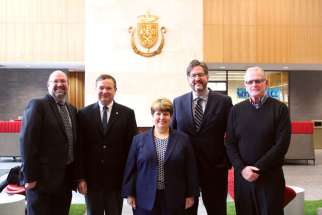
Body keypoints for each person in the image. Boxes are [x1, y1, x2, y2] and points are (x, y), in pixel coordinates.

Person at [225, 66, 291, 215]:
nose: (254, 85)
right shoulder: (236, 110)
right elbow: (229, 143)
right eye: (250, 82)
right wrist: (242, 169)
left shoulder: (280, 109)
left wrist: (257, 168)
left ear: (266, 83)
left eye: (258, 81)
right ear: (245, 85)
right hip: (243, 179)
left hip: (270, 178)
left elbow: (281, 145)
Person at [171, 59, 233, 215]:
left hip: (215, 169)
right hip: (186, 168)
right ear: (188, 79)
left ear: (207, 76)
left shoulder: (224, 102)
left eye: (200, 75)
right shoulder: (178, 102)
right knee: (187, 210)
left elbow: (233, 133)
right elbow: (173, 133)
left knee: (217, 209)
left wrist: (227, 160)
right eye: (193, 75)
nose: (197, 79)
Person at [122, 98, 199, 215]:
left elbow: (191, 168)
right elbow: (131, 168)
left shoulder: (183, 139)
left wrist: (191, 194)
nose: (162, 117)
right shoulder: (138, 140)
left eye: (166, 114)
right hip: (144, 197)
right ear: (153, 116)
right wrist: (129, 193)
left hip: (175, 197)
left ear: (171, 117)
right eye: (158, 113)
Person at [77, 74, 137, 215]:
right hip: (92, 181)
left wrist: (130, 180)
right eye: (101, 88)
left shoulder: (127, 114)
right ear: (96, 89)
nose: (104, 91)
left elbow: (132, 149)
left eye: (109, 88)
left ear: (115, 90)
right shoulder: (83, 114)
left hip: (116, 181)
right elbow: (79, 148)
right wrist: (80, 177)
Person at [20, 70, 78, 215]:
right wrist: (30, 177)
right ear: (48, 85)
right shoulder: (38, 105)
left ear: (68, 85)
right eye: (55, 81)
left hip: (65, 180)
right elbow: (27, 142)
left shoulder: (72, 110)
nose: (60, 84)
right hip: (41, 181)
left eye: (63, 81)